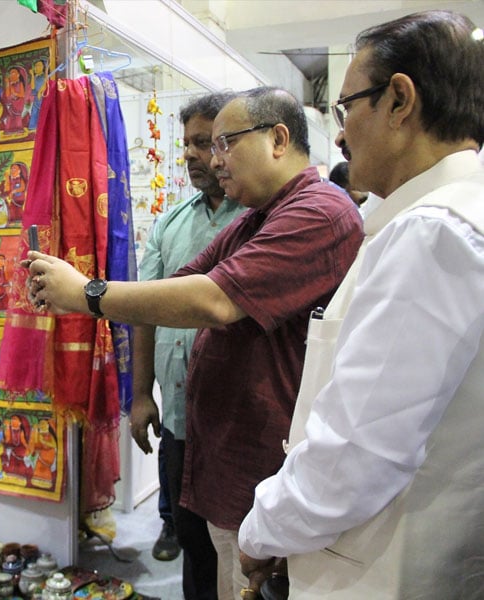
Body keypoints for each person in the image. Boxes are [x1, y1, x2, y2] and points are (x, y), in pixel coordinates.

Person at [26, 87, 363, 599]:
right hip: (224, 460)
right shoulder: (256, 217)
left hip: (266, 471)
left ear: (278, 139)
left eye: (225, 143)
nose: (214, 159)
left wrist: (86, 293)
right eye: (206, 145)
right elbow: (178, 286)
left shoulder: (319, 213)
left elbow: (214, 301)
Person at [238, 11, 484, 600]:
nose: (341, 134)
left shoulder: (433, 233)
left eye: (346, 107)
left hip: (379, 568)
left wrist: (263, 531)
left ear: (399, 100)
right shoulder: (429, 218)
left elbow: (355, 456)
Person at [129, 91, 244, 596]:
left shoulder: (260, 219)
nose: (194, 156)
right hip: (178, 418)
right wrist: (140, 395)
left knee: (241, 550)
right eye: (189, 145)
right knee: (194, 544)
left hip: (236, 423)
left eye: (205, 143)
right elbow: (143, 312)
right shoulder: (171, 223)